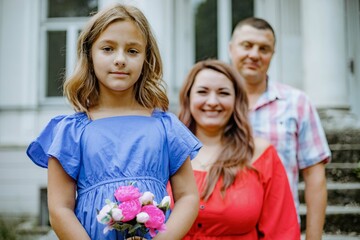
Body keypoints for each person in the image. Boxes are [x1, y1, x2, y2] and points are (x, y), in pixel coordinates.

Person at [26, 4, 201, 240]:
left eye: (132, 51)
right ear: (89, 55)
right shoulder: (71, 131)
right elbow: (59, 209)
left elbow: (188, 197)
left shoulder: (166, 127)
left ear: (146, 58)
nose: (120, 60)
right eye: (108, 49)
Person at [172, 59, 300, 239]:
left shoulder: (260, 154)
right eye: (202, 92)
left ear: (236, 100)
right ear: (188, 97)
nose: (212, 101)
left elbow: (282, 230)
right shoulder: (166, 153)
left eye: (223, 93)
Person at [229, 17, 331, 239]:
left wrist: (314, 237)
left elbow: (315, 177)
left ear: (272, 54)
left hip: (281, 229)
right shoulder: (211, 106)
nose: (254, 55)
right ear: (231, 48)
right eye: (247, 45)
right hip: (225, 229)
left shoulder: (297, 103)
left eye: (264, 49)